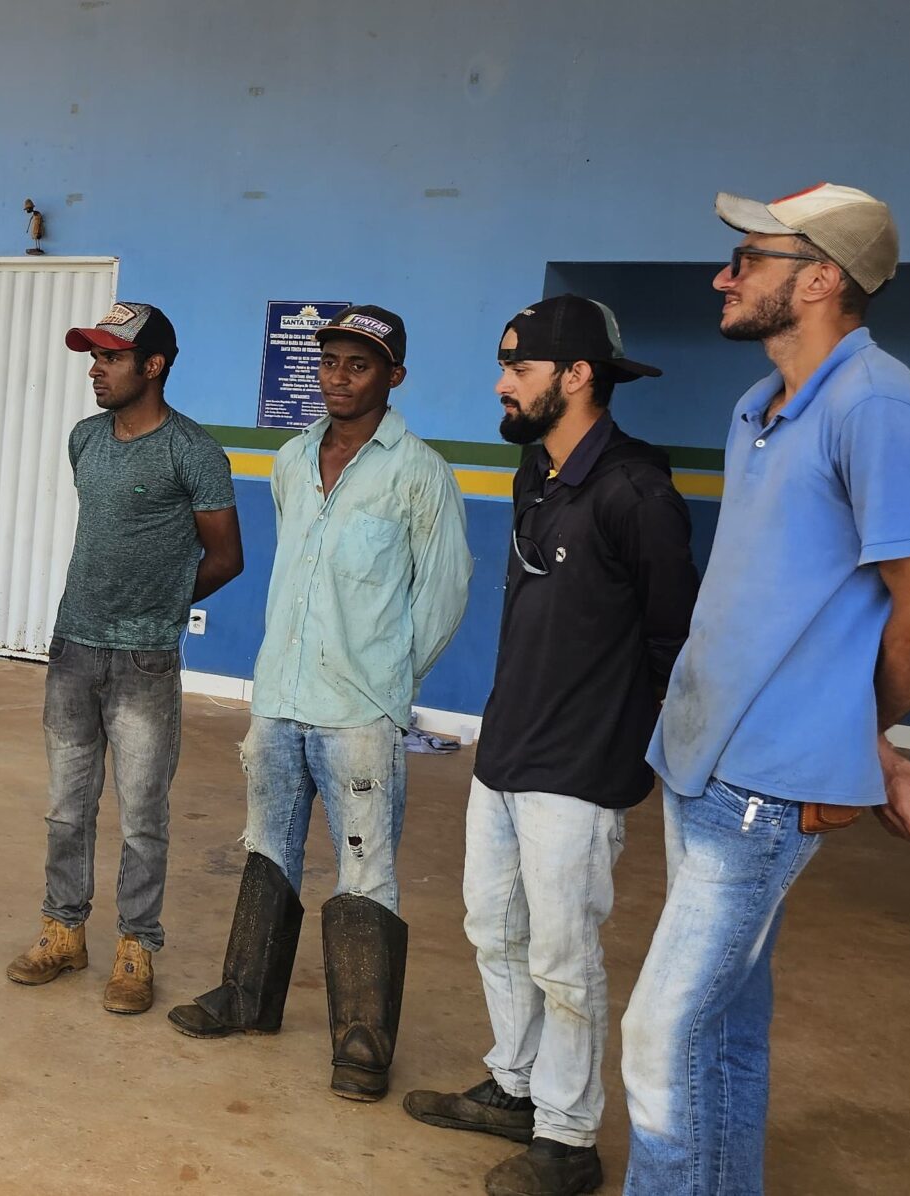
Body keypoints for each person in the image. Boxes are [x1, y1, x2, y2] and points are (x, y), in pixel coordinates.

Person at [623, 184, 910, 1194]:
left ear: (818, 280)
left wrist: (851, 735)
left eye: (748, 260)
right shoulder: (759, 407)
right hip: (700, 759)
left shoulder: (878, 407)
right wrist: (873, 742)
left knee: (658, 1036)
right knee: (722, 1027)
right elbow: (803, 611)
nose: (722, 277)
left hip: (763, 791)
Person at [401, 296, 697, 1196]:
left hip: (580, 769)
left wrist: (637, 741)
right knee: (493, 929)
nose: (502, 381)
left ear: (577, 376)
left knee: (564, 958)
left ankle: (568, 1140)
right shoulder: (538, 468)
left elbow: (676, 640)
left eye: (518, 367)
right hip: (507, 749)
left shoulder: (636, 493)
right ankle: (516, 1085)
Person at [168, 304, 472, 1104]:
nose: (338, 378)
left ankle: (362, 1041)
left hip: (359, 713)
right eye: (329, 362)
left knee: (366, 866)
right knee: (268, 846)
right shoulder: (292, 458)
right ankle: (247, 998)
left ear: (394, 377)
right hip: (279, 695)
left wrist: (388, 685)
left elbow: (444, 593)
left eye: (358, 365)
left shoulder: (419, 473)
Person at [5, 301, 243, 1015]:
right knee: (65, 809)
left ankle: (137, 945)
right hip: (73, 647)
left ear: (153, 365)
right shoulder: (85, 439)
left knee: (142, 814)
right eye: (94, 356)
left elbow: (225, 556)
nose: (96, 369)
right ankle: (63, 931)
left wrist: (161, 606)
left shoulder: (193, 451)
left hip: (146, 661)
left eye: (111, 357)